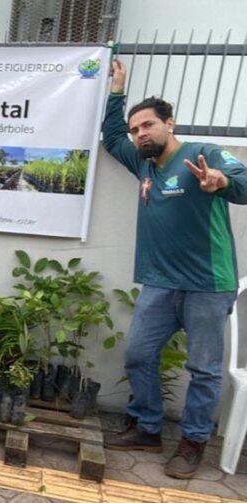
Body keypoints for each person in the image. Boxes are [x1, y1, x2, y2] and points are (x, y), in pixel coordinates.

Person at [102, 60, 247, 479]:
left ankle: (194, 441)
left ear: (170, 123)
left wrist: (220, 181)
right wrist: (118, 90)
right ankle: (147, 427)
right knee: (138, 355)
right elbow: (111, 137)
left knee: (203, 369)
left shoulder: (203, 155)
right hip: (160, 283)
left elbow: (241, 178)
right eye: (136, 129)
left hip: (208, 284)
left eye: (148, 125)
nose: (140, 134)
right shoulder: (144, 163)